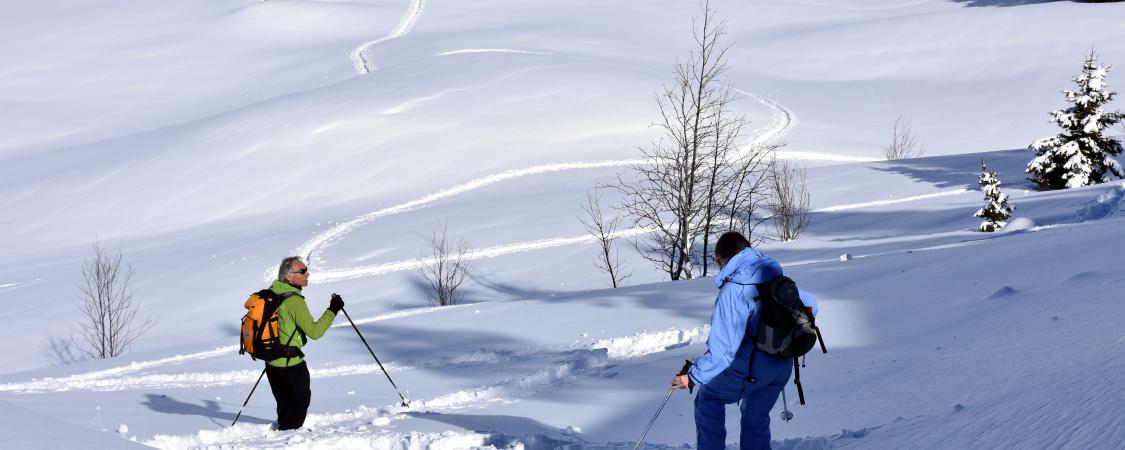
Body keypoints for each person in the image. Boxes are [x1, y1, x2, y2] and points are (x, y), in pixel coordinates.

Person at [671, 231, 818, 450]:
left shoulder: (734, 290)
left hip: (752, 371)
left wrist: (692, 377)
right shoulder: (775, 273)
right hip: (782, 366)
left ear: (723, 259)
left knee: (708, 398)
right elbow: (812, 306)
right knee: (755, 415)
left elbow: (723, 353)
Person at [266, 256, 344, 430]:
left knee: (284, 404)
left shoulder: (272, 292)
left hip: (271, 361)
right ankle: (288, 439)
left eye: (306, 270)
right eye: (302, 271)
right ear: (289, 277)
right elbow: (315, 332)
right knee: (300, 403)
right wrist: (333, 309)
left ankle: (282, 432)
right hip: (291, 364)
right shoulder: (294, 301)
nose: (307, 274)